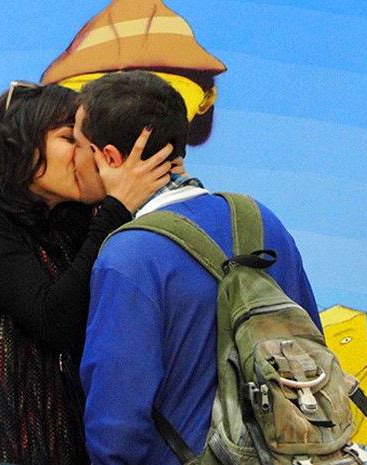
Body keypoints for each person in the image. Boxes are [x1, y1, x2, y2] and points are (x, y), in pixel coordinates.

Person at [74, 70, 324, 465]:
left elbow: (116, 428)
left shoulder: (127, 255)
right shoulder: (260, 219)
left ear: (108, 158)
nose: (73, 159)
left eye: (78, 145)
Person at [0, 81, 174, 465]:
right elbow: (53, 318)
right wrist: (117, 206)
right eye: (68, 139)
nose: (84, 157)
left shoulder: (76, 224)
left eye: (87, 143)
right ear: (17, 138)